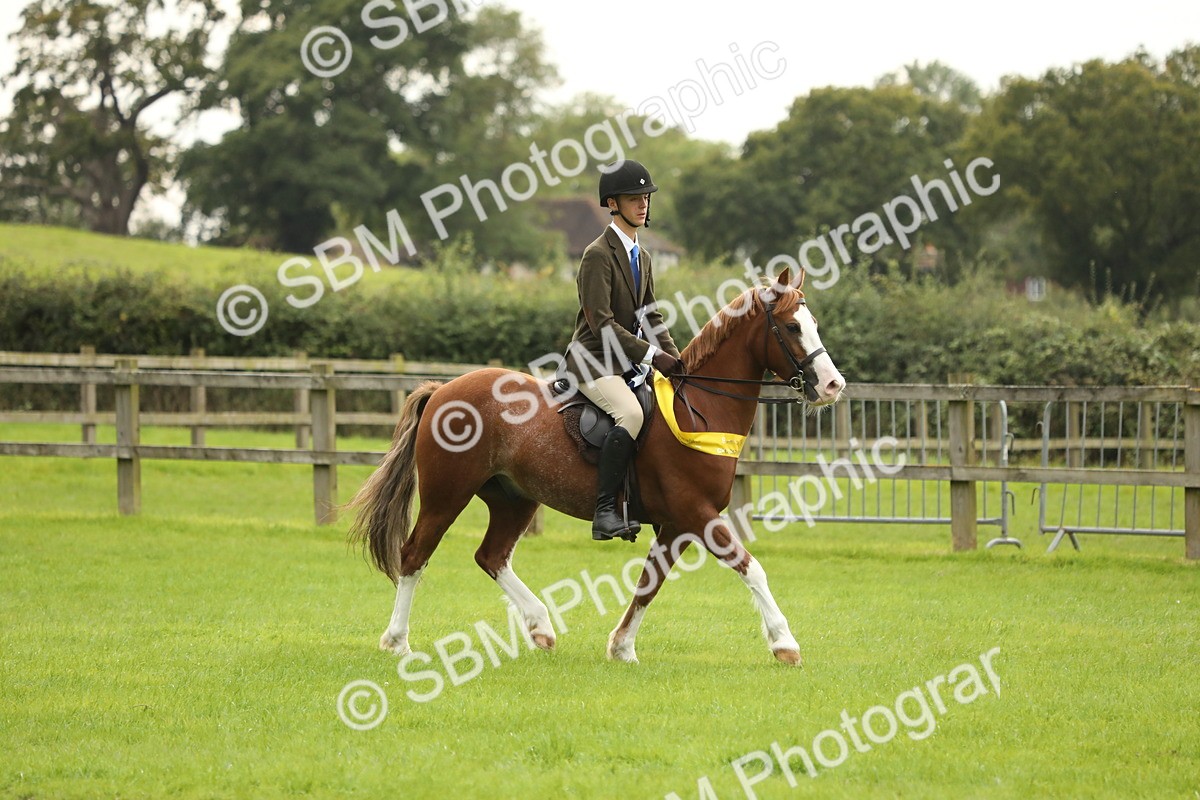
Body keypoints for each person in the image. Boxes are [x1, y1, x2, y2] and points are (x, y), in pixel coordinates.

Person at [564, 160, 683, 542]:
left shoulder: (642, 257)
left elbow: (651, 314)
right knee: (630, 413)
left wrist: (678, 360)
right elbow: (601, 322)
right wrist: (652, 356)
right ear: (613, 204)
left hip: (625, 364)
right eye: (634, 199)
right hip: (591, 363)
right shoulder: (597, 254)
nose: (643, 205)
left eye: (645, 198)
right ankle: (605, 511)